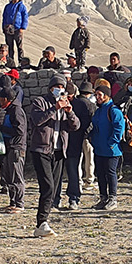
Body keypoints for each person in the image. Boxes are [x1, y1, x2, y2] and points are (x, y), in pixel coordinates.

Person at [29, 76, 80, 236]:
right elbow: (37, 120)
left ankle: (44, 221)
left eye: (61, 87)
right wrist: (54, 108)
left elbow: (75, 125)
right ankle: (41, 222)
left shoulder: (65, 104)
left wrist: (69, 112)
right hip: (41, 150)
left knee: (54, 187)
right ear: (51, 88)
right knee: (48, 186)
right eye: (56, 86)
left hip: (59, 151)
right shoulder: (40, 102)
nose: (59, 89)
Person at [0, 79, 28, 213]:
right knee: (9, 176)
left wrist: (2, 128)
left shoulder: (16, 111)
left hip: (17, 147)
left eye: (1, 100)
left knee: (17, 176)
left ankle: (19, 203)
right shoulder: (10, 110)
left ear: (7, 99)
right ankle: (13, 201)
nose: (0, 103)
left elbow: (19, 131)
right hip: (9, 147)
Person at [90, 82, 126, 210]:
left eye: (100, 95)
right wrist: (93, 140)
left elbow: (119, 128)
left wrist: (112, 143)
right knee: (100, 174)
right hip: (99, 148)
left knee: (111, 173)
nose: (97, 97)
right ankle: (103, 198)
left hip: (111, 150)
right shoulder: (99, 110)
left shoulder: (113, 111)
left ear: (106, 96)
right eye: (96, 95)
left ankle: (112, 198)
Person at [64, 81, 96, 210]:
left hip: (74, 141)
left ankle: (74, 197)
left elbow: (86, 122)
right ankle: (55, 198)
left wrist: (84, 135)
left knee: (73, 171)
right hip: (58, 143)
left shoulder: (81, 105)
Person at [3, 0, 29, 64]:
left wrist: (22, 28)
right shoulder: (7, 6)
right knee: (9, 47)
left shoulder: (22, 6)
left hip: (18, 29)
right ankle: (10, 62)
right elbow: (4, 17)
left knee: (19, 47)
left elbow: (25, 17)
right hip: (8, 29)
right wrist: (4, 27)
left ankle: (21, 63)